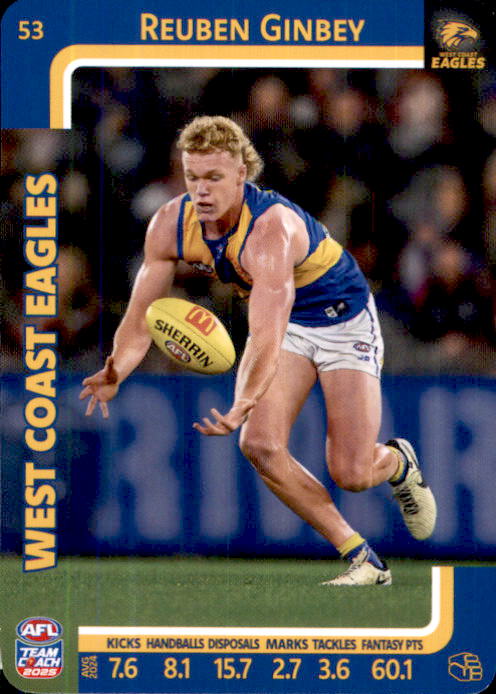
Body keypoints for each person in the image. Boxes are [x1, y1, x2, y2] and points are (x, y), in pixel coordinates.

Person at [80, 115, 437, 585]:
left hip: (342, 319)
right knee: (260, 444)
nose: (201, 190)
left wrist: (244, 400)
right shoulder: (170, 224)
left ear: (241, 174)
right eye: (192, 177)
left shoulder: (271, 229)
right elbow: (143, 313)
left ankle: (397, 463)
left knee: (352, 472)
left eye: (214, 177)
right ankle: (364, 559)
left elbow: (266, 331)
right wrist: (117, 368)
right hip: (287, 326)